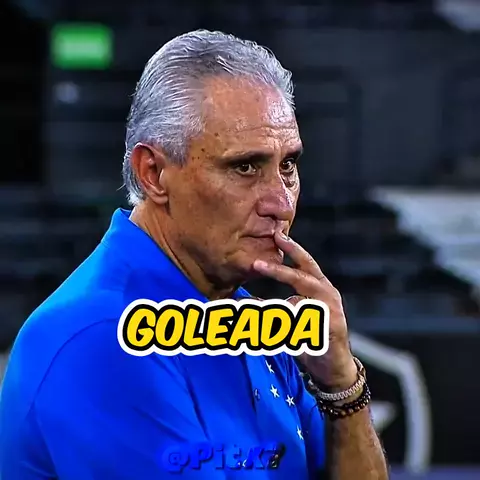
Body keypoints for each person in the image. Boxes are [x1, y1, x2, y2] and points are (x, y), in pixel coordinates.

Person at [0, 30, 388, 479]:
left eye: (288, 165)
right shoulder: (103, 335)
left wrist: (342, 385)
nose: (281, 203)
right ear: (154, 174)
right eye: (245, 167)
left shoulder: (251, 319)